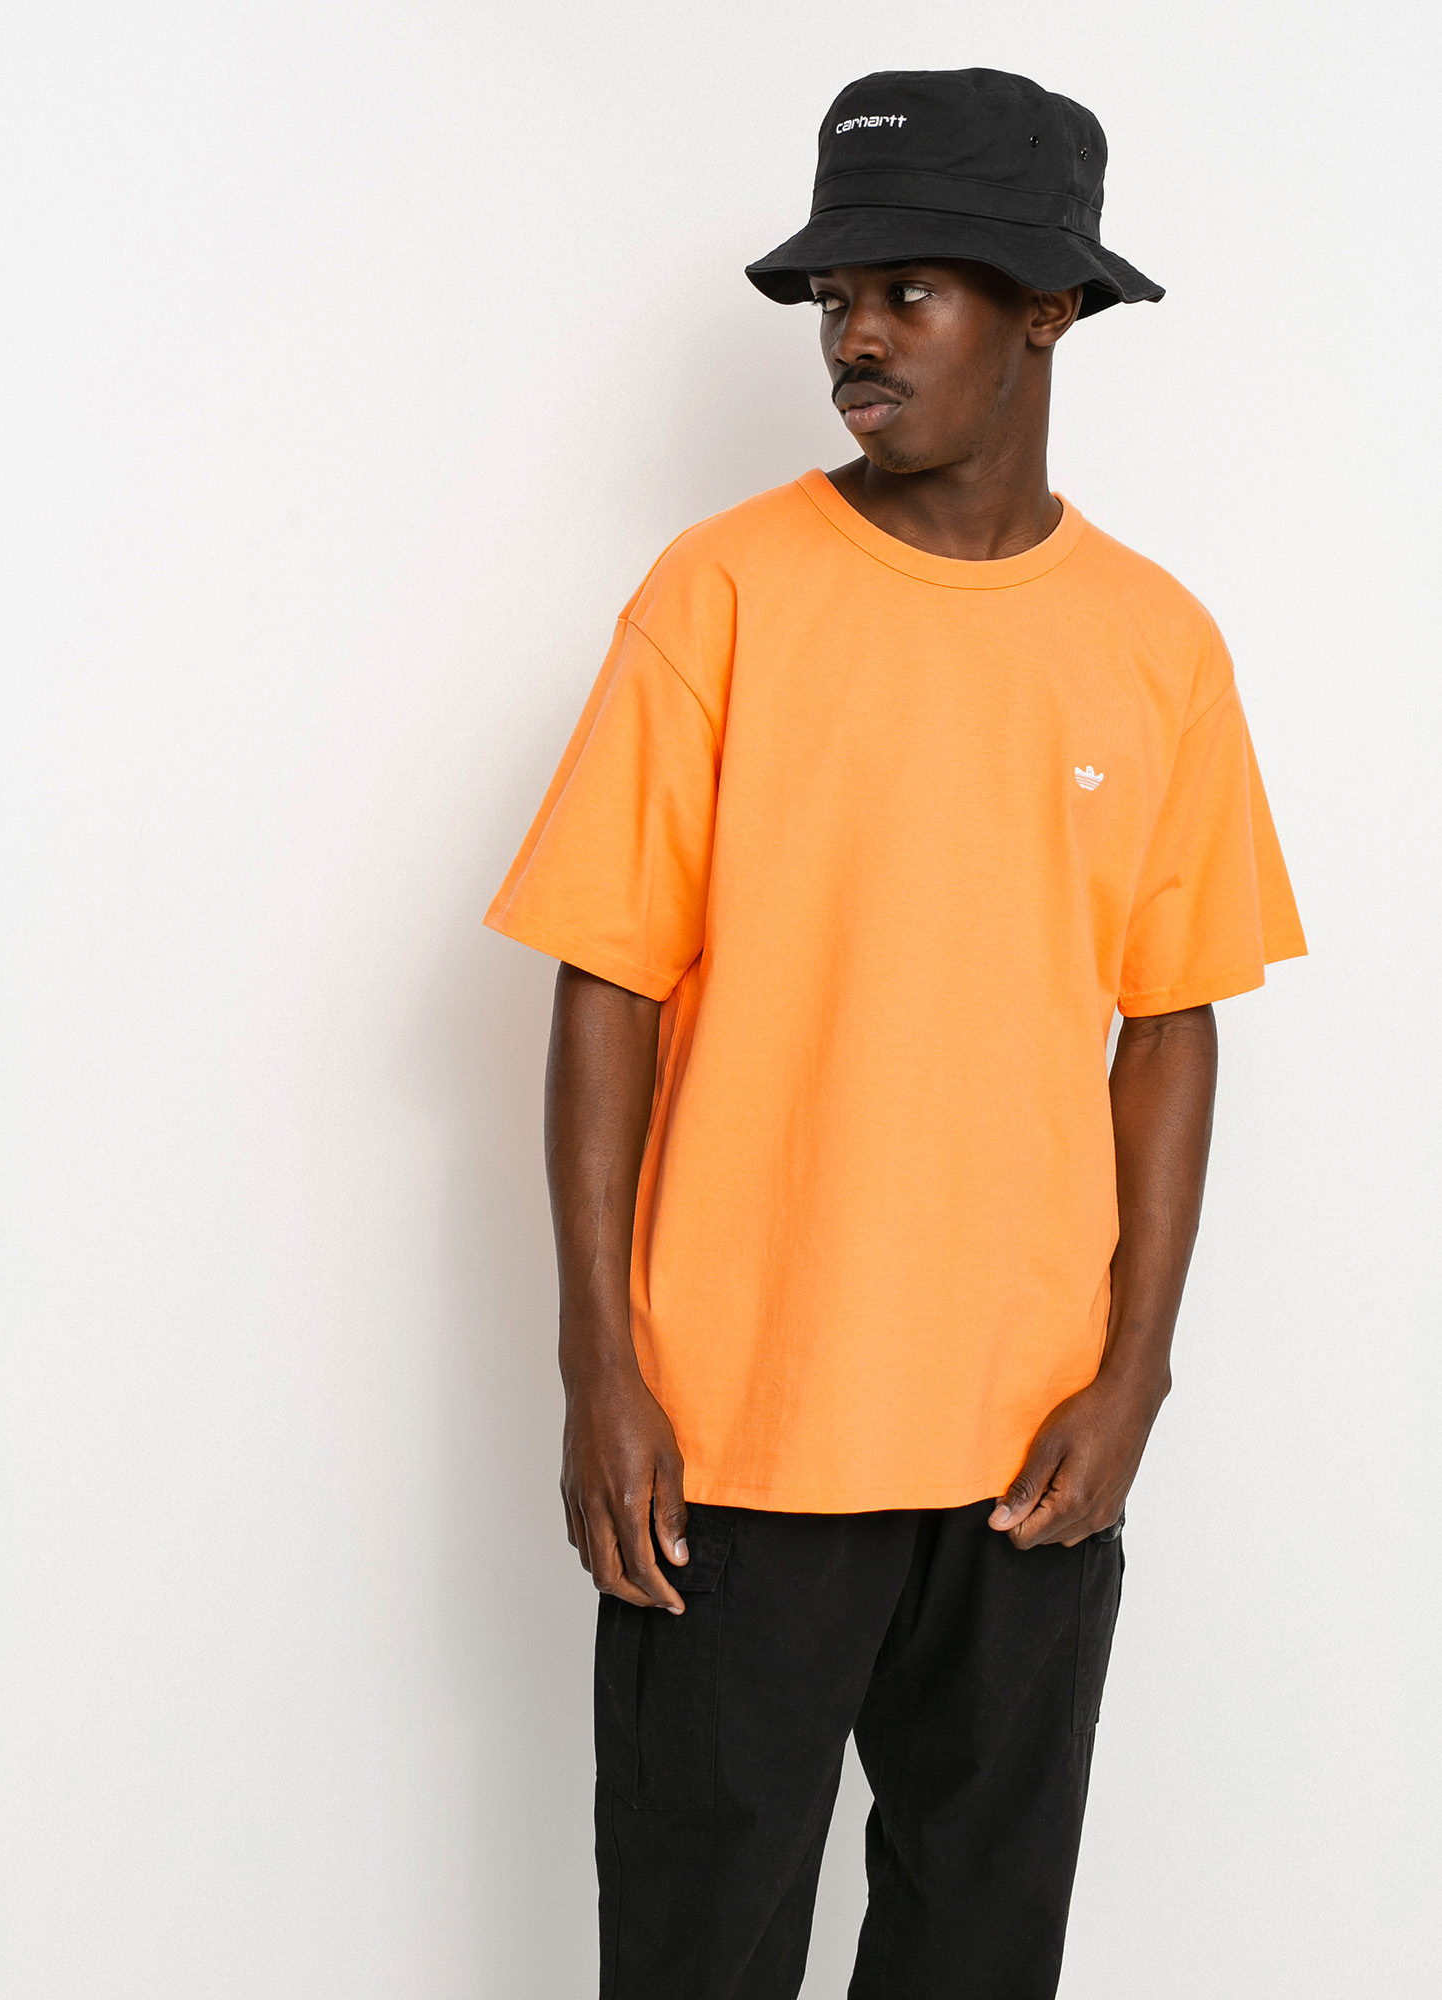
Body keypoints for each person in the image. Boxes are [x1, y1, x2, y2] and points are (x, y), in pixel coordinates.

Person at [485, 67, 1305, 2000]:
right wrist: (604, 1367)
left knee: (979, 1951)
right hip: (739, 1438)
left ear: (1050, 309)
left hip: (1027, 1447)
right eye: (838, 298)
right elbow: (606, 979)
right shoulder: (724, 594)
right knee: (698, 1952)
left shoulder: (1157, 642)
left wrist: (1134, 1375)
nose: (856, 335)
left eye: (911, 290)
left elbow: (1171, 1023)